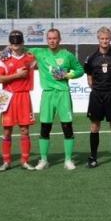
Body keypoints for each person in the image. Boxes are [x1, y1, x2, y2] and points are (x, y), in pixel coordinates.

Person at [29, 28, 85, 170]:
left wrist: (66, 75)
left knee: (67, 126)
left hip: (63, 94)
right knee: (45, 127)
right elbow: (20, 49)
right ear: (46, 40)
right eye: (49, 38)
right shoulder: (39, 53)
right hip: (48, 94)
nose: (52, 41)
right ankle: (43, 160)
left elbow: (80, 70)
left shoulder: (67, 55)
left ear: (59, 39)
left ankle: (68, 160)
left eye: (54, 38)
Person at [82, 26, 111, 168]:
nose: (105, 41)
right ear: (98, 39)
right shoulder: (91, 58)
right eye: (102, 38)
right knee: (95, 126)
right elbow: (89, 79)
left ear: (110, 39)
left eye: (107, 38)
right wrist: (97, 90)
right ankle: (93, 157)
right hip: (96, 95)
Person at [0, 30, 37, 171]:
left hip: (24, 96)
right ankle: (6, 161)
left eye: (18, 42)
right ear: (9, 44)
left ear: (23, 43)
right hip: (7, 96)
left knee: (24, 130)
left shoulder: (31, 57)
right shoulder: (3, 59)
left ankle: (24, 161)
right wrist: (16, 76)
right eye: (12, 43)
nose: (15, 45)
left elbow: (46, 58)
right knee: (7, 131)